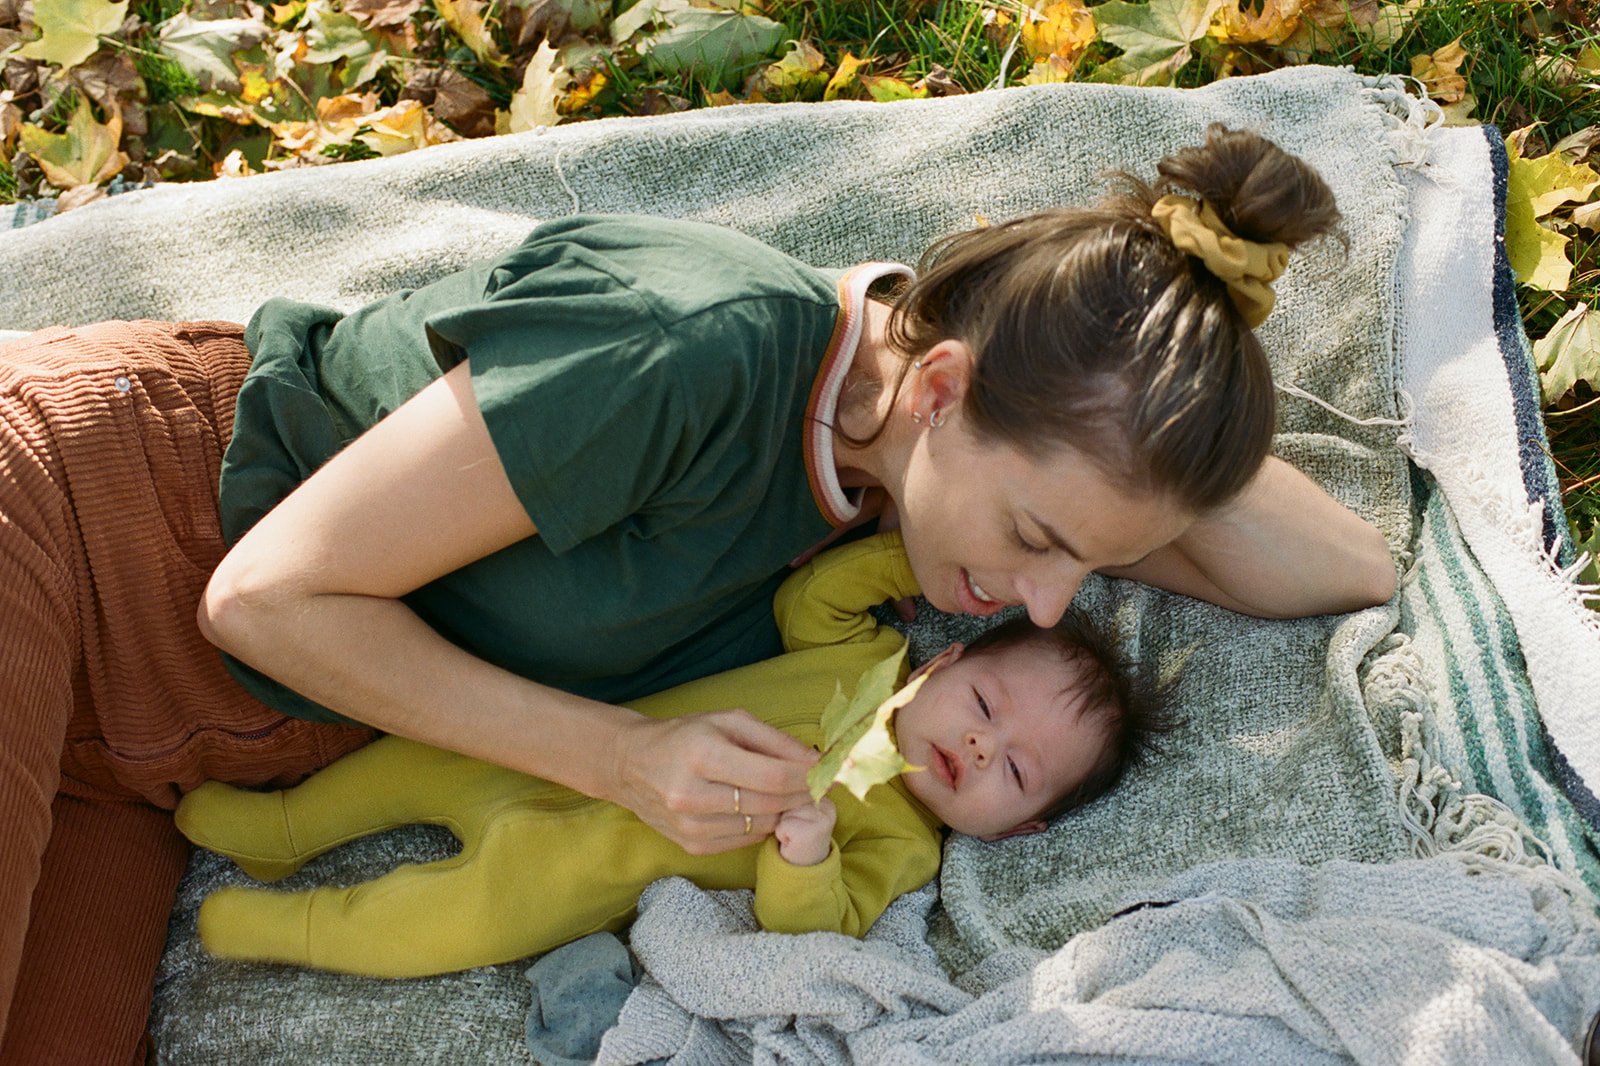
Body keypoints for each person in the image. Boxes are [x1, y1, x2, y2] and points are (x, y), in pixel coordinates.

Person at [0, 124, 1396, 1061]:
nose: (1040, 605)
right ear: (950, 384)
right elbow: (268, 597)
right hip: (81, 517)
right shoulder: (692, 344)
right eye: (1041, 536)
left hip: (142, 762)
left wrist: (1170, 340)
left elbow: (1350, 568)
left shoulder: (916, 497)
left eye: (1086, 559)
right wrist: (622, 755)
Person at [173, 531, 1162, 977]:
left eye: (1017, 772)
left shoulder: (904, 850)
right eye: (984, 702)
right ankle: (284, 827)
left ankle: (290, 929)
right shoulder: (861, 657)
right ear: (943, 658)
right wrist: (913, 561)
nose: (981, 744)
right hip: (559, 753)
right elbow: (806, 599)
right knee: (413, 761)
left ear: (1023, 825)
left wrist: (806, 857)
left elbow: (816, 924)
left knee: (440, 924)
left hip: (576, 877)